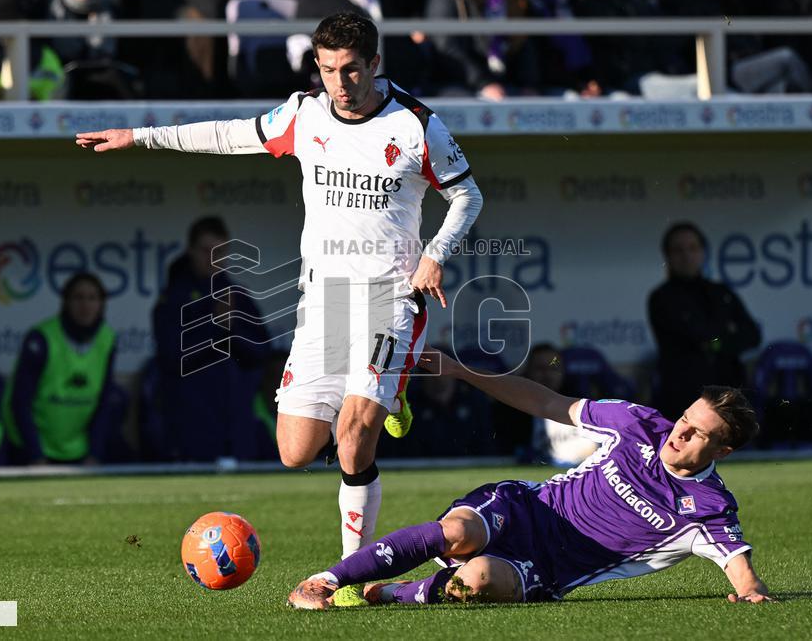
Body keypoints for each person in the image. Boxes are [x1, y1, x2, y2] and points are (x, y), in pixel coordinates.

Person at [75, 12, 483, 603]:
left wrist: (436, 254)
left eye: (351, 70)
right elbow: (226, 134)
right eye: (328, 70)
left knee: (353, 436)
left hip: (391, 297)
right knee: (296, 451)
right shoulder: (304, 114)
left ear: (375, 64)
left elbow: (467, 194)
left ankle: (351, 577)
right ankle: (393, 392)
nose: (340, 83)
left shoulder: (417, 125)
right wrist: (139, 137)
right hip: (323, 301)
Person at [287, 347, 774, 609]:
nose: (679, 432)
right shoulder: (638, 423)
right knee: (456, 532)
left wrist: (751, 591)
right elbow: (545, 401)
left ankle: (389, 593)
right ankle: (322, 582)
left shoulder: (708, 507)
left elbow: (739, 566)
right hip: (523, 508)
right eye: (685, 418)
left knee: (475, 581)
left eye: (696, 433)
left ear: (722, 451)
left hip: (547, 568)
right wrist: (462, 371)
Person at [150, 216, 274, 462]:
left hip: (237, 426)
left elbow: (262, 352)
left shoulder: (237, 296)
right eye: (205, 251)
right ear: (190, 250)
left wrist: (232, 329)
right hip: (190, 425)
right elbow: (171, 357)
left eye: (219, 252)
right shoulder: (173, 298)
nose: (212, 259)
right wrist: (215, 328)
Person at [2, 272, 122, 465]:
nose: (85, 305)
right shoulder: (41, 338)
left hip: (77, 449)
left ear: (102, 304)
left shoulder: (107, 339)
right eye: (78, 298)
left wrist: (95, 453)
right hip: (34, 448)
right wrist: (35, 455)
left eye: (92, 298)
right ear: (66, 302)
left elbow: (104, 402)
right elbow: (20, 402)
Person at [648, 222, 761, 422]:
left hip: (729, 395)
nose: (686, 256)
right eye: (678, 250)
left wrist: (715, 342)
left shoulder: (721, 292)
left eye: (693, 248)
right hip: (684, 400)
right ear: (667, 256)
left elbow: (752, 335)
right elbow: (697, 338)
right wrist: (724, 335)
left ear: (703, 252)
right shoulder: (661, 298)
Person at [492, 342, 597, 465]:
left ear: (563, 371)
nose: (547, 375)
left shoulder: (578, 402)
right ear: (527, 371)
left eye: (553, 368)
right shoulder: (510, 406)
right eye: (540, 369)